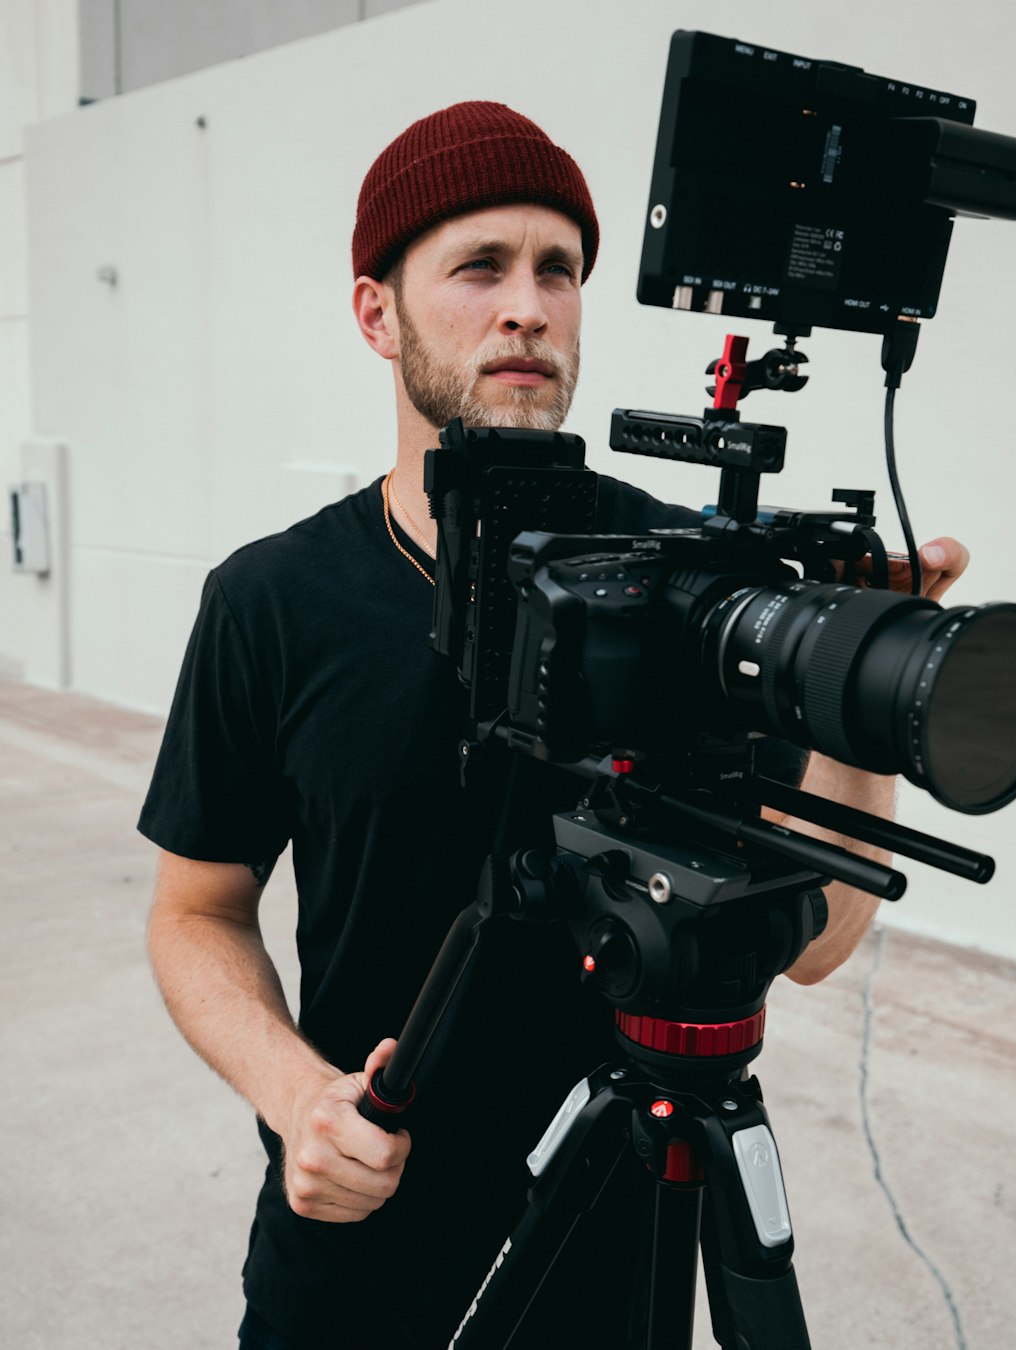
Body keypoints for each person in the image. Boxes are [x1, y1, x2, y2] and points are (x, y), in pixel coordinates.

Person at [140, 102, 969, 1349]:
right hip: (360, 1239)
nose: (526, 305)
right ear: (380, 314)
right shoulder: (273, 600)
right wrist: (295, 1093)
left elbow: (817, 943)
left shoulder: (695, 582)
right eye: (479, 267)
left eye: (558, 270)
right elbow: (194, 909)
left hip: (618, 1238)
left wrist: (864, 692)